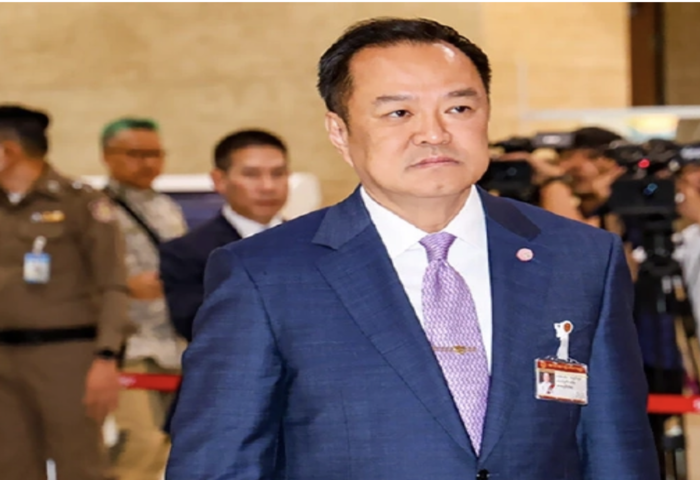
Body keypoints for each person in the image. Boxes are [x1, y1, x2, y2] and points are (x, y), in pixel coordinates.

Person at [166, 17, 659, 479]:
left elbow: (616, 446)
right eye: (399, 112)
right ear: (339, 132)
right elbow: (219, 464)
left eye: (459, 108)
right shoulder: (264, 274)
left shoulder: (580, 257)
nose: (433, 134)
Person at [0, 104, 131, 480]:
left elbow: (113, 284)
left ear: (8, 151)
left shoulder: (81, 202)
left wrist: (107, 357)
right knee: (9, 464)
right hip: (4, 358)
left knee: (80, 465)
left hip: (67, 356)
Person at [100, 117, 188, 480]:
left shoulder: (168, 208)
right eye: (135, 154)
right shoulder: (94, 209)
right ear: (108, 156)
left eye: (155, 154)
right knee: (140, 440)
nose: (147, 163)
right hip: (128, 344)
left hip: (173, 340)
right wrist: (123, 284)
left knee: (168, 444)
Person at [159, 129, 290, 342]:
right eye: (251, 175)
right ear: (219, 180)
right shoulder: (187, 252)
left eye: (278, 174)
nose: (268, 187)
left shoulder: (315, 242)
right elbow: (195, 324)